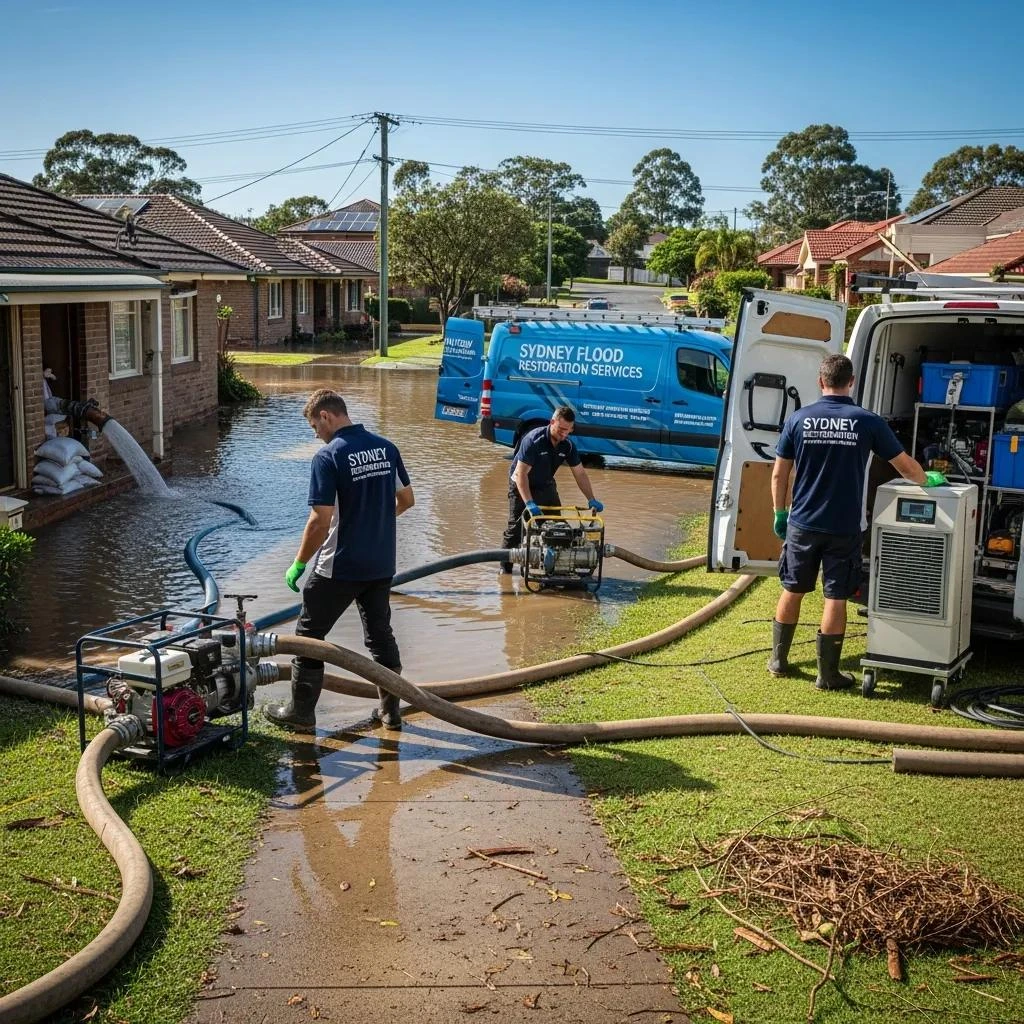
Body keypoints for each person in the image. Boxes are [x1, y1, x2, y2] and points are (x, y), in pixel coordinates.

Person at [768, 354, 945, 690]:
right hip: (845, 525)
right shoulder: (867, 421)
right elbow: (905, 466)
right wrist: (927, 480)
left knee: (792, 588)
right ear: (851, 382)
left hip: (802, 523)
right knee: (835, 596)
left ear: (821, 382)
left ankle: (778, 660)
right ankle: (829, 674)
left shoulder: (799, 419)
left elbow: (779, 473)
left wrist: (780, 513)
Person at [265, 389, 414, 732]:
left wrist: (299, 563)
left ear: (326, 416)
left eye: (314, 425)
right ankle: (391, 712)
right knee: (380, 635)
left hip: (340, 564)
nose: (315, 433)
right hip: (380, 562)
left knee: (308, 635)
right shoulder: (386, 448)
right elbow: (406, 499)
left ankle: (300, 713)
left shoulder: (328, 456)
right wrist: (375, 523)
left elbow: (319, 520)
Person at [499, 406, 604, 573]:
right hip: (521, 484)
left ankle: (554, 567)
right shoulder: (533, 440)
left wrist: (591, 498)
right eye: (561, 429)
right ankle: (505, 569)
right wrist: (530, 503)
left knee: (557, 528)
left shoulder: (568, 446)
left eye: (568, 431)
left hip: (546, 484)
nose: (564, 434)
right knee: (515, 530)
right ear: (552, 422)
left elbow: (580, 473)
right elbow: (521, 475)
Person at [42, 368, 67, 440]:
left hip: (52, 413)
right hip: (56, 410)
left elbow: (45, 425)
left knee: (48, 400)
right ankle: (43, 379)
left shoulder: (51, 430)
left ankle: (43, 379)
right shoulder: (63, 416)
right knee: (49, 399)